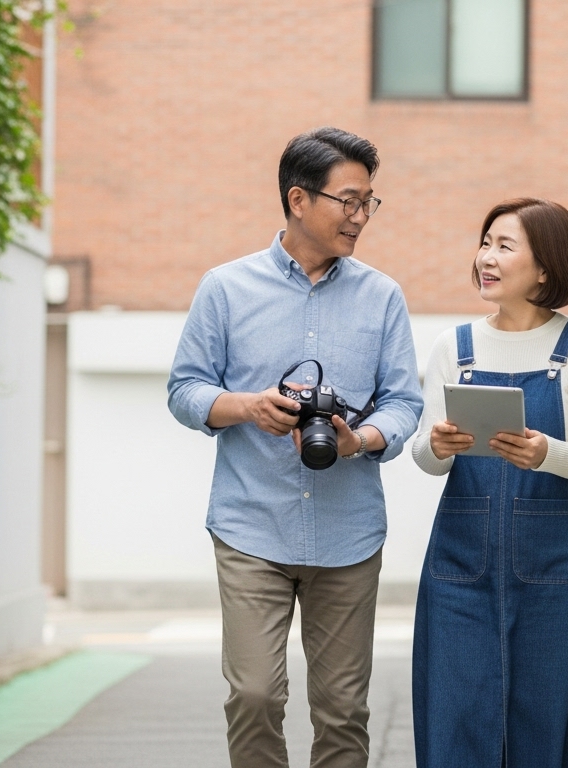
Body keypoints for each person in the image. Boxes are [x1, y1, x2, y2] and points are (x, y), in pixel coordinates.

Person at [167, 127, 423, 768]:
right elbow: (185, 391)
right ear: (299, 199)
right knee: (253, 695)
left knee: (342, 711)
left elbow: (405, 403)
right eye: (349, 200)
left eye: (369, 203)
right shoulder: (225, 289)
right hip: (252, 524)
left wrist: (357, 439)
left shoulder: (382, 295)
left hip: (349, 533)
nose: (361, 217)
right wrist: (249, 407)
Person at [410, 198, 568, 767]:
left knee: (547, 718)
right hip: (460, 567)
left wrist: (545, 451)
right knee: (455, 717)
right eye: (485, 243)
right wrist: (436, 446)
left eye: (505, 246)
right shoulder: (454, 346)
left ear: (546, 267)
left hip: (554, 566)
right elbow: (423, 457)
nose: (487, 257)